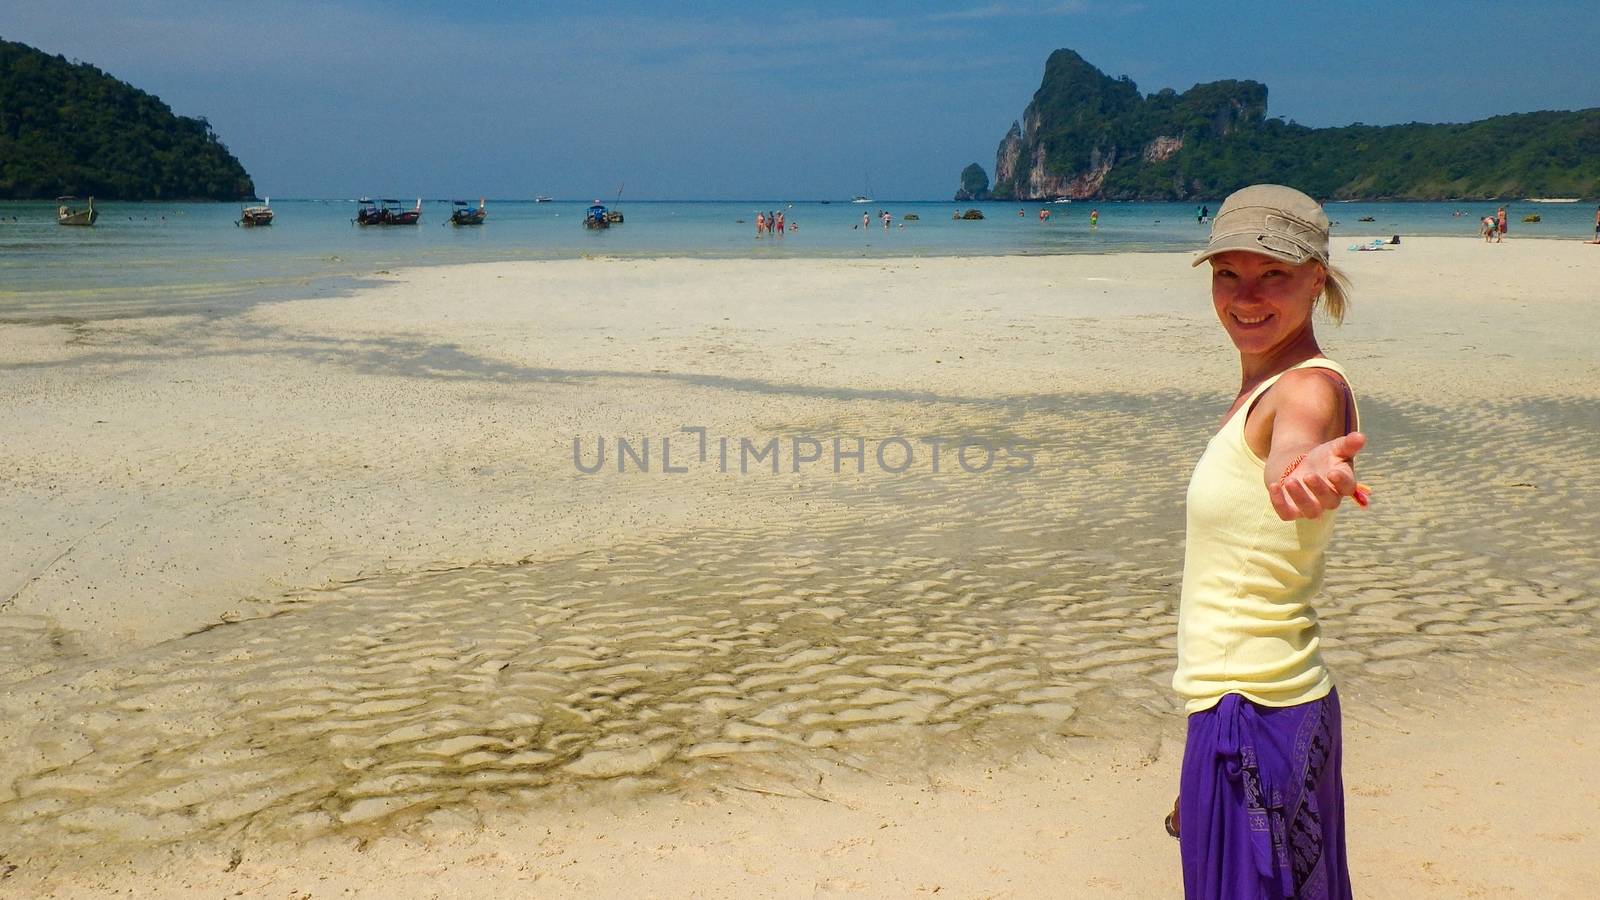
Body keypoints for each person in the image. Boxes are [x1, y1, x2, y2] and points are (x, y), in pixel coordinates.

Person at [1170, 184, 1366, 900]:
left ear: (1318, 277)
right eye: (1228, 273)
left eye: (1273, 275)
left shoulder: (1305, 391)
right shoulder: (1267, 384)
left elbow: (1295, 450)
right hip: (1254, 711)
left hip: (1253, 720)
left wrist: (1299, 473)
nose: (1245, 296)